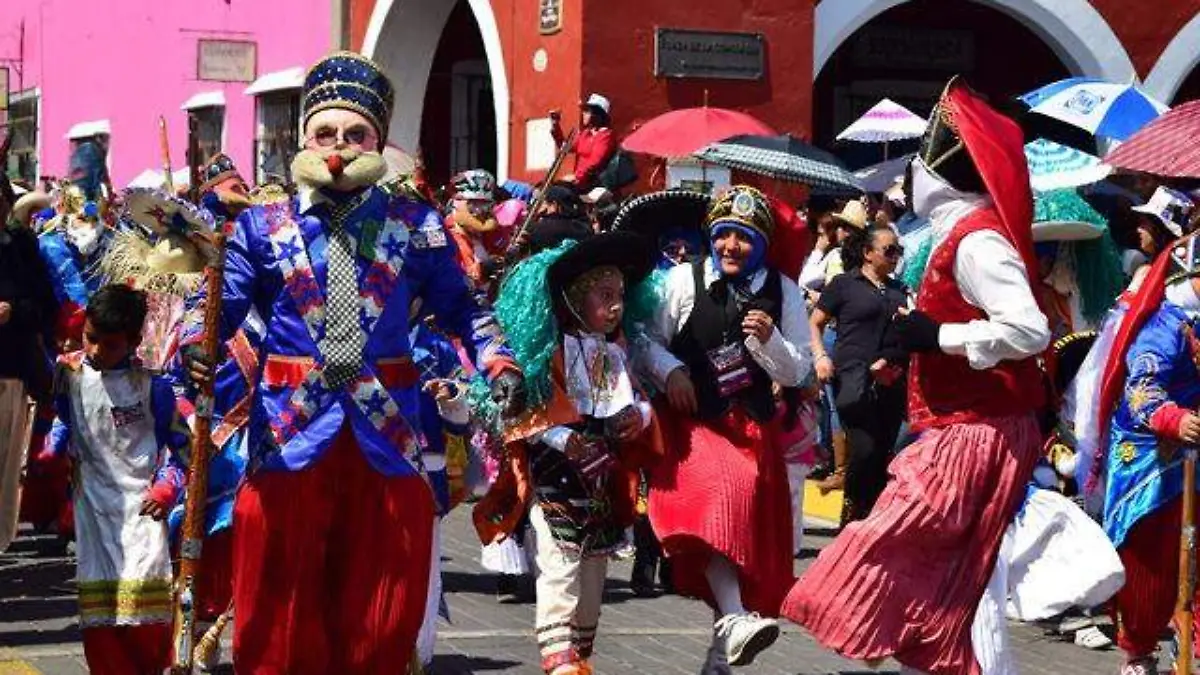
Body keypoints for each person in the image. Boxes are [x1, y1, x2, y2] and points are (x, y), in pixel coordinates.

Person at [181, 52, 527, 673]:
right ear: (303, 139)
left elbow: (464, 305)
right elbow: (220, 307)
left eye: (356, 135)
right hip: (288, 438)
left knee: (381, 608)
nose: (339, 148)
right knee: (279, 603)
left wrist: (498, 359)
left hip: (387, 437)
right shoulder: (262, 227)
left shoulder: (416, 223)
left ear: (378, 141)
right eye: (325, 134)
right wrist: (195, 347)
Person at [782, 78, 1051, 675]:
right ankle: (921, 649)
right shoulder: (960, 236)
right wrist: (919, 343)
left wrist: (940, 337)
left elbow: (1030, 330)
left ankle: (898, 637)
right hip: (968, 428)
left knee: (908, 547)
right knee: (951, 575)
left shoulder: (977, 242)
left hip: (979, 434)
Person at [639, 185, 813, 671]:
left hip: (751, 428)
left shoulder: (784, 291)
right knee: (721, 507)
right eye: (723, 235)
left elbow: (797, 371)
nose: (730, 246)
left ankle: (721, 653)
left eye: (742, 236)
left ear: (760, 242)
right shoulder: (681, 280)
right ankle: (734, 620)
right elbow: (645, 340)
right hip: (693, 427)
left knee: (742, 542)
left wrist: (771, 342)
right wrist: (670, 371)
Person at [475, 231, 662, 675]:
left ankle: (578, 656)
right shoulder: (550, 353)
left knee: (593, 579)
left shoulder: (614, 354)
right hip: (555, 478)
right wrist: (559, 437)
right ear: (577, 299)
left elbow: (634, 398)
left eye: (620, 295)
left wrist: (639, 414)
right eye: (604, 295)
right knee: (560, 569)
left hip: (600, 483)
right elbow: (525, 413)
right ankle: (559, 665)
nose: (615, 305)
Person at [51, 284, 190, 675]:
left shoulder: (154, 384)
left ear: (133, 342)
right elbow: (68, 420)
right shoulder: (68, 374)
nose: (95, 351)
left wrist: (166, 488)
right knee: (100, 616)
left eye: (109, 345)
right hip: (93, 511)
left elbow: (182, 448)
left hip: (143, 512)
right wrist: (53, 449)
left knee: (144, 615)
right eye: (90, 338)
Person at [1093, 233, 1200, 675]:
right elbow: (1141, 391)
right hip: (1153, 462)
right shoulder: (1166, 325)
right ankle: (1138, 651)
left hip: (1193, 452)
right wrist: (1175, 419)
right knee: (1151, 565)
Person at [810, 224, 909, 522]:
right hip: (853, 379)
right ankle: (852, 506)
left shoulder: (899, 291)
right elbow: (816, 323)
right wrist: (820, 357)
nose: (894, 257)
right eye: (888, 250)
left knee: (881, 455)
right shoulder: (843, 284)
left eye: (898, 251)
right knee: (863, 450)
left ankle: (869, 520)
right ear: (867, 253)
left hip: (891, 383)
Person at [0, 162, 58, 551]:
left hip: (9, 370)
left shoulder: (20, 249)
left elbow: (45, 304)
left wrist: (13, 310)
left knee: (5, 468)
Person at [551, 94, 617, 192]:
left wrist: (576, 176)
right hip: (579, 183)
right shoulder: (585, 134)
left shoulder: (606, 136)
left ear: (597, 114)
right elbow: (565, 148)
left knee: (557, 193)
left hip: (593, 184)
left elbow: (595, 162)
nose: (583, 113)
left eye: (587, 111)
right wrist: (556, 126)